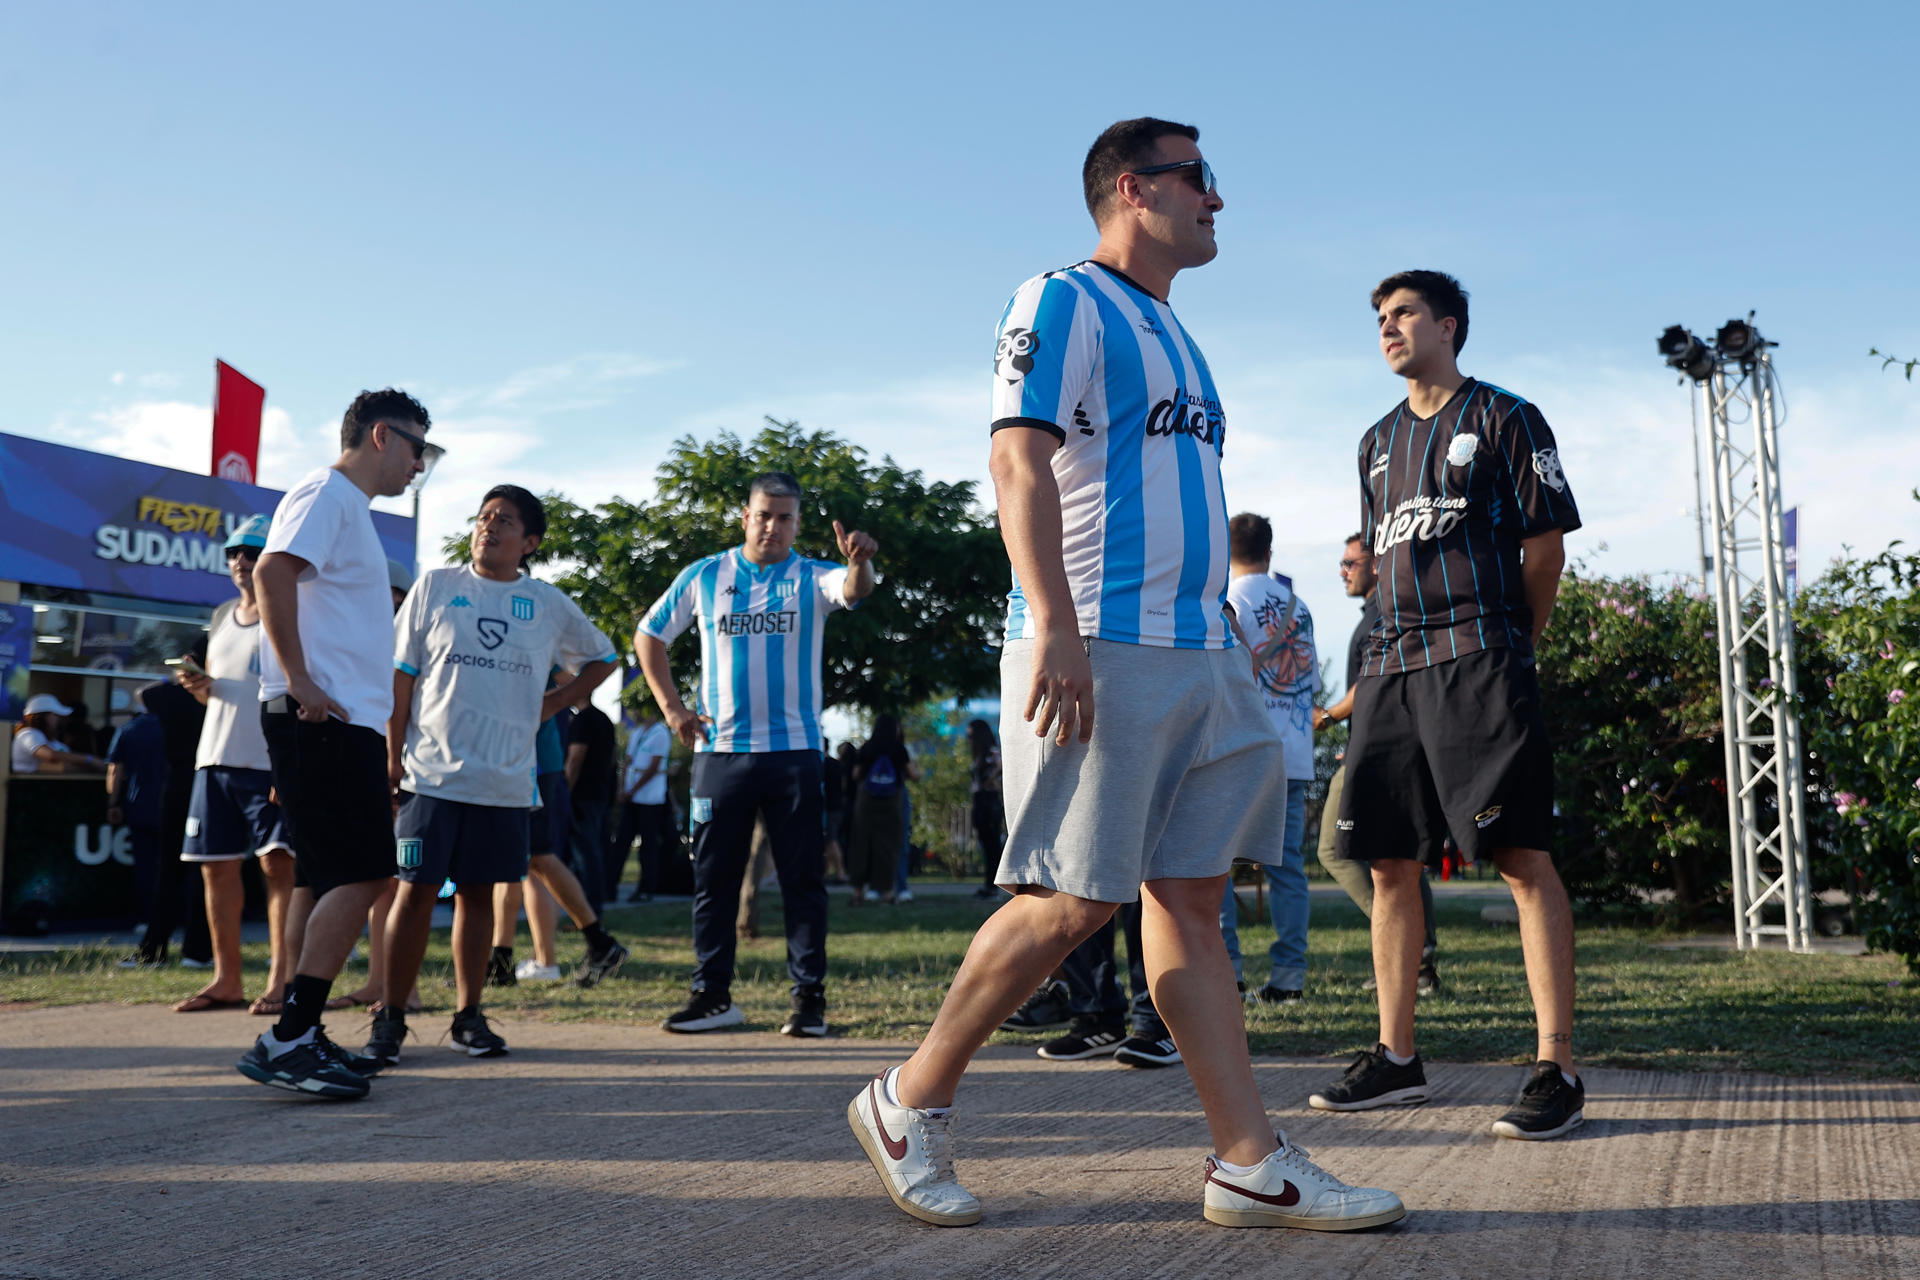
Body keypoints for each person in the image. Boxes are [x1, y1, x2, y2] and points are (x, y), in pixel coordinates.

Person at [847, 118, 1402, 1231]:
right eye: (1202, 180)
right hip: (1098, 636)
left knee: (1191, 896)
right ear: (1135, 188)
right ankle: (910, 1098)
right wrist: (1051, 621)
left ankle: (1249, 1159)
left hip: (1199, 648)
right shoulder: (1059, 298)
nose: (1219, 201)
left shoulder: (1179, 335)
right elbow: (1015, 456)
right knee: (1071, 896)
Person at [1311, 270, 1583, 1141]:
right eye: (1379, 319)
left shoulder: (1505, 418)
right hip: (1392, 669)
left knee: (1518, 856)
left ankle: (1557, 1066)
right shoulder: (1375, 442)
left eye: (1404, 316)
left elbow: (1545, 550)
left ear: (1449, 326)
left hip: (1481, 658)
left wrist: (1514, 642)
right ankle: (1397, 1059)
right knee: (1388, 862)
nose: (1388, 330)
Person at [363, 485, 622, 1066]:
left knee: (480, 896)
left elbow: (606, 657)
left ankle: (468, 1015)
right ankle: (391, 1017)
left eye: (504, 521)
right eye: (483, 518)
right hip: (430, 775)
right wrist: (391, 752)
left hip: (505, 781)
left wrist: (556, 703)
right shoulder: (436, 586)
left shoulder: (547, 604)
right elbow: (400, 676)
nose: (489, 527)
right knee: (414, 892)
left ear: (529, 542)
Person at [234, 386, 439, 1099]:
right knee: (364, 875)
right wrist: (298, 681)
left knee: (343, 875)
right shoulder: (326, 492)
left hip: (336, 720)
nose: (421, 464)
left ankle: (296, 1032)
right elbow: (271, 570)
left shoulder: (349, 509)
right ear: (383, 436)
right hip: (319, 715)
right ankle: (289, 1037)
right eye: (420, 448)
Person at [636, 471, 877, 1038]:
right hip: (719, 756)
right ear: (746, 517)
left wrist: (860, 560)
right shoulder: (704, 576)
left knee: (802, 881)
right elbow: (650, 634)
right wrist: (673, 709)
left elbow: (854, 590)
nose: (773, 526)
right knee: (712, 879)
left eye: (785, 516)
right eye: (764, 514)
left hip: (793, 754)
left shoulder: (812, 576)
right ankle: (711, 995)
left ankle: (808, 1000)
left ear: (797, 523)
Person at [174, 515, 299, 1015]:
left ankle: (281, 980)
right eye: (233, 552)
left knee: (278, 868)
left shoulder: (288, 611)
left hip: (267, 762)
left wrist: (291, 762)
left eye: (252, 551)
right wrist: (200, 688)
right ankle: (226, 979)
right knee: (215, 869)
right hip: (214, 759)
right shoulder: (224, 614)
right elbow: (226, 693)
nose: (241, 561)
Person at [1312, 536, 1439, 994]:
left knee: (1332, 849)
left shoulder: (1384, 615)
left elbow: (1369, 685)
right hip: (1381, 745)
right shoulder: (1383, 613)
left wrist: (1328, 716)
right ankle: (1419, 964)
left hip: (1378, 750)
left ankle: (1415, 944)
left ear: (1377, 565)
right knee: (1401, 855)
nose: (1343, 570)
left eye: (1350, 562)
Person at [1215, 515, 1318, 1004]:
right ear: (1269, 551)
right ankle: (1289, 978)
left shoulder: (1230, 602)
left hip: (1241, 747)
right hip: (1293, 752)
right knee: (1287, 869)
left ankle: (1226, 971)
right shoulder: (1301, 607)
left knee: (1212, 863)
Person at [122, 678, 213, 967]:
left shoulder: (170, 694)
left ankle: (156, 950)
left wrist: (180, 678)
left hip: (179, 785)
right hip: (204, 782)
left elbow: (144, 692)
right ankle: (196, 951)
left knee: (172, 872)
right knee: (204, 869)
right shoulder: (220, 691)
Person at [105, 699, 168, 948]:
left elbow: (114, 770)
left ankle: (146, 917)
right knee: (170, 866)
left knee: (144, 866)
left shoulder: (129, 730)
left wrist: (113, 803)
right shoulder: (172, 726)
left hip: (139, 805)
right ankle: (169, 917)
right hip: (171, 805)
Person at [848, 716, 916, 906]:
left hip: (867, 801)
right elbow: (912, 774)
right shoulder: (898, 749)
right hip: (892, 801)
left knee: (861, 844)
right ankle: (886, 893)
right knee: (887, 846)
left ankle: (857, 892)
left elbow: (855, 774)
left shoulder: (867, 747)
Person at [609, 708, 672, 903]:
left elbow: (653, 767)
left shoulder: (661, 733)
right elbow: (627, 762)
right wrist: (622, 788)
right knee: (622, 841)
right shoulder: (636, 733)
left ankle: (646, 888)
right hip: (631, 796)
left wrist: (633, 789)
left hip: (649, 798)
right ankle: (610, 885)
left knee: (648, 844)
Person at [565, 699, 617, 915]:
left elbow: (575, 759)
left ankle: (589, 913)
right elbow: (614, 758)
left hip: (582, 795)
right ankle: (593, 907)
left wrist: (564, 792)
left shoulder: (583, 719)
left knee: (585, 855)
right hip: (600, 793)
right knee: (594, 851)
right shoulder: (604, 718)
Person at [11, 695, 103, 773]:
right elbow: (51, 755)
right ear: (42, 716)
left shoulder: (48, 739)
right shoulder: (28, 733)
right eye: (55, 714)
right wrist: (90, 759)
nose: (59, 718)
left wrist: (95, 764)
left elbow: (67, 756)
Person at [967, 719, 1003, 900]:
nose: (969, 740)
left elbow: (1001, 766)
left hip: (989, 800)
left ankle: (993, 886)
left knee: (993, 846)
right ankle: (988, 884)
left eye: (971, 736)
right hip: (979, 800)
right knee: (986, 845)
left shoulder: (991, 751)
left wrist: (989, 781)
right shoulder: (978, 755)